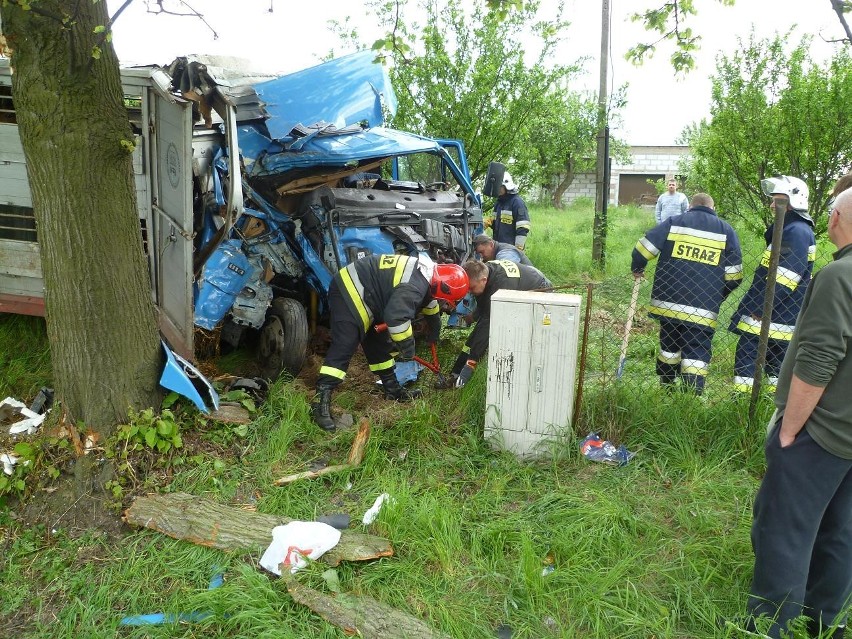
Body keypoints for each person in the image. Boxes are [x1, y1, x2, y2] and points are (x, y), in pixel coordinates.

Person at [746, 186, 852, 639]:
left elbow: (819, 358)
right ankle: (823, 621)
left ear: (837, 218)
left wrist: (790, 430)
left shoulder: (839, 275)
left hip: (822, 431)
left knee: (785, 529)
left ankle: (771, 625)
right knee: (842, 531)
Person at [311, 254, 469, 431]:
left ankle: (392, 389)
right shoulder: (414, 286)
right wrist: (407, 349)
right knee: (345, 344)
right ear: (443, 287)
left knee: (379, 345)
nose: (443, 304)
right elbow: (397, 319)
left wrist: (434, 329)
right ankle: (320, 400)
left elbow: (430, 305)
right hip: (350, 290)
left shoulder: (428, 275)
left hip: (371, 296)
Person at [631, 193, 743, 394]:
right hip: (703, 308)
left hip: (668, 304)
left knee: (669, 348)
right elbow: (734, 276)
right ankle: (692, 396)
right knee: (696, 354)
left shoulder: (675, 222)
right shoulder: (726, 230)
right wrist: (717, 295)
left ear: (689, 206)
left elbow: (642, 249)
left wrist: (638, 268)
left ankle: (666, 387)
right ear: (713, 207)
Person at [729, 175, 816, 394]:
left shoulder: (795, 232)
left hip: (769, 317)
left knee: (747, 361)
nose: (771, 205)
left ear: (793, 201)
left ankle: (742, 405)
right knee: (775, 370)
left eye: (777, 201)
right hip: (779, 318)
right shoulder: (796, 230)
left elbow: (786, 279)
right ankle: (765, 407)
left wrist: (760, 309)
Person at [441, 259, 552, 388]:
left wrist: (472, 361)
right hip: (524, 279)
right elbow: (483, 306)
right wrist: (473, 317)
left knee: (512, 333)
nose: (469, 292)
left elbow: (488, 324)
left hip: (540, 288)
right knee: (480, 329)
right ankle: (456, 371)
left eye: (471, 288)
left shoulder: (500, 286)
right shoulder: (484, 272)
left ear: (483, 280)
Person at [488, 171, 531, 251]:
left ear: (506, 186)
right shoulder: (499, 202)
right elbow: (494, 222)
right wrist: (487, 222)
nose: (498, 189)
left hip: (511, 249)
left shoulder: (517, 202)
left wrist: (518, 249)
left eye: (500, 186)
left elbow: (523, 227)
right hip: (498, 247)